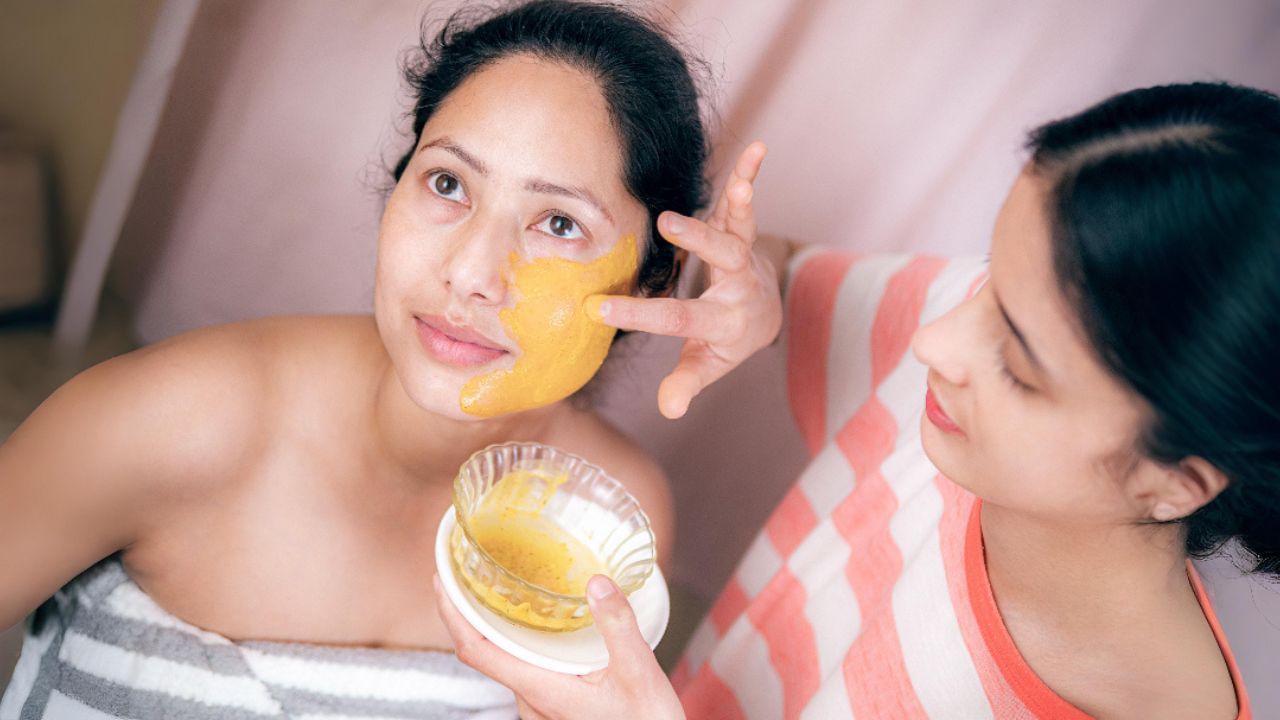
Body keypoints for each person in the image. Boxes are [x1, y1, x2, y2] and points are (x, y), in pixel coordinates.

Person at [0, 2, 779, 718]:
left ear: (653, 279)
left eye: (559, 224)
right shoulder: (172, 420)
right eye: (447, 182)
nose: (470, 273)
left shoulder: (607, 527)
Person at [436, 81, 1280, 719]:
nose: (935, 342)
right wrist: (748, 290)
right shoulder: (960, 332)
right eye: (988, 280)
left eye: (1019, 367)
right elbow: (769, 275)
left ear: (1177, 480)